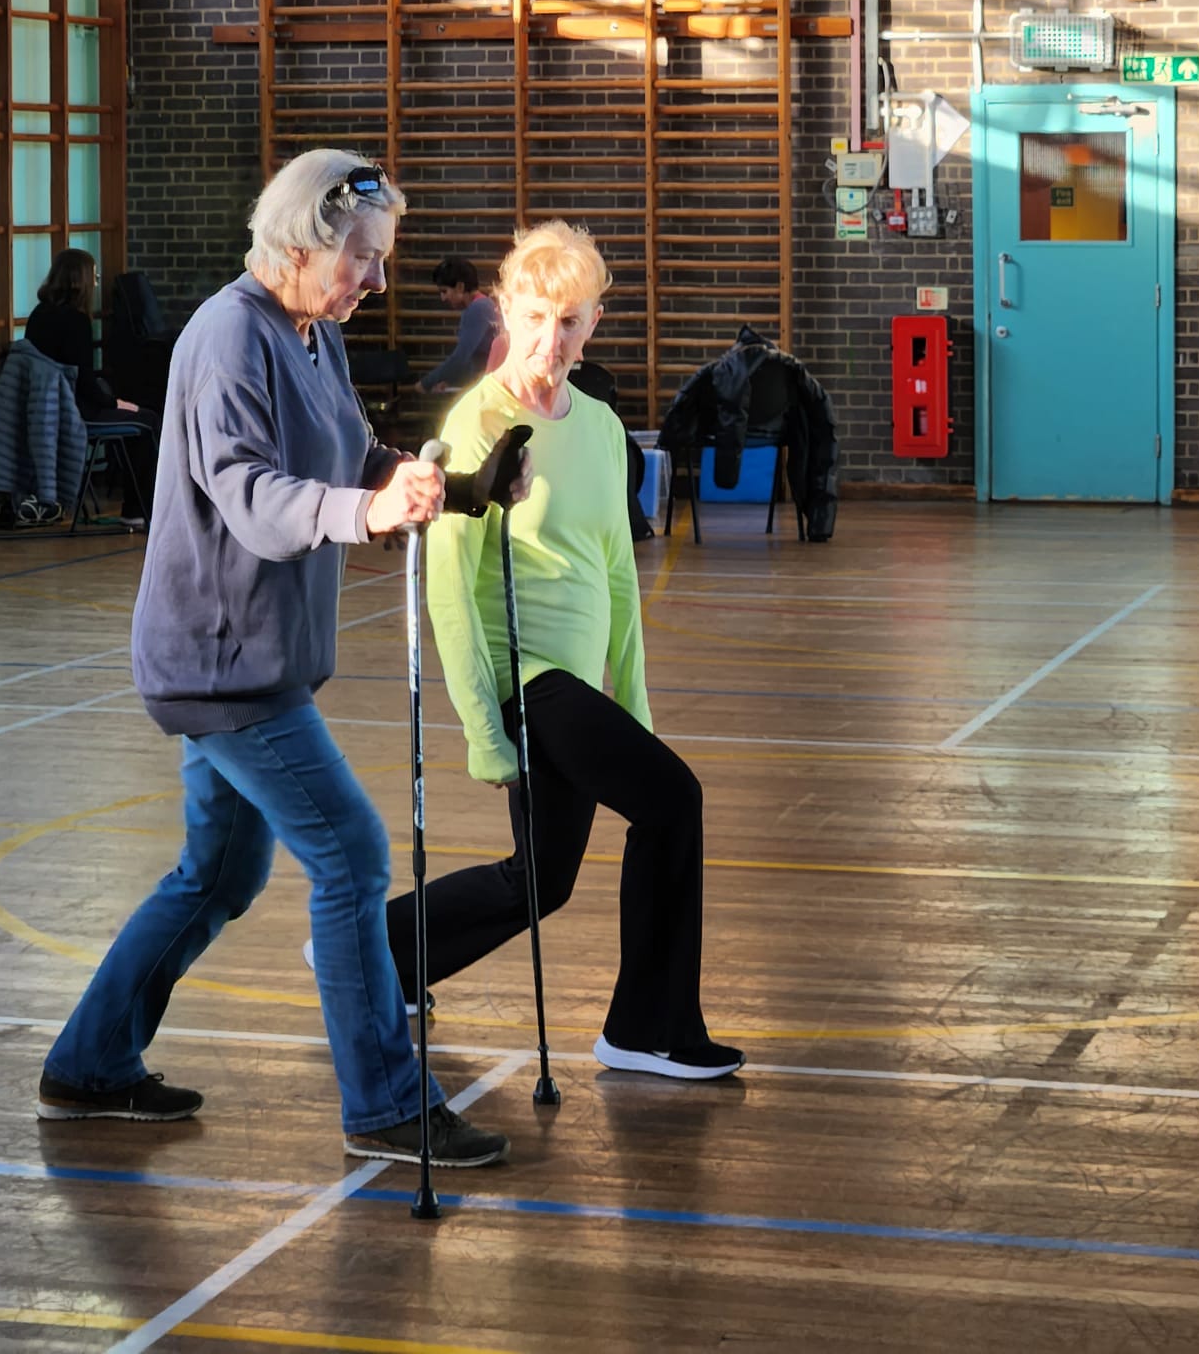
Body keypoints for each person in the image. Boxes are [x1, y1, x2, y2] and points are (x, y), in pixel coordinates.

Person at [37, 149, 523, 1168]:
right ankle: (387, 1100)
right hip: (223, 663)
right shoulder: (227, 337)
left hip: (258, 656)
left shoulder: (311, 334)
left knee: (219, 870)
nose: (379, 280)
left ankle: (88, 1064)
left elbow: (349, 457)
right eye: (365, 257)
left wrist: (458, 485)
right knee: (350, 854)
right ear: (304, 241)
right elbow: (253, 495)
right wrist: (364, 510)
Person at [385, 220, 744, 1081]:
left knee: (540, 882)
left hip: (581, 684)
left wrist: (636, 704)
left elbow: (619, 574)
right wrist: (483, 728)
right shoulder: (477, 423)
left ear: (594, 325)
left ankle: (378, 954)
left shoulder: (604, 429)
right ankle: (648, 1029)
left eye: (574, 320)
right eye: (539, 316)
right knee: (672, 801)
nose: (555, 340)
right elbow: (449, 590)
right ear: (506, 310)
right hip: (525, 678)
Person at [24, 248, 156, 523]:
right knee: (148, 420)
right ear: (80, 280)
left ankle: (139, 507)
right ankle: (138, 509)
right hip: (75, 410)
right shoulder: (76, 321)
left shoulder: (38, 315)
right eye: (93, 276)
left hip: (47, 409)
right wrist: (115, 402)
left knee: (137, 416)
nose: (96, 282)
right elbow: (84, 382)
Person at [417, 255, 500, 395]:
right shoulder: (483, 306)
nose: (443, 298)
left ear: (460, 287)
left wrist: (426, 383)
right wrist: (451, 381)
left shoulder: (478, 309)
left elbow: (461, 357)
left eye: (444, 291)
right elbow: (472, 359)